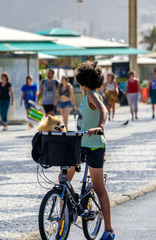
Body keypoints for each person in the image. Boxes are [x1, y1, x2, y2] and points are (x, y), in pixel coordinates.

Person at [65, 61, 114, 240]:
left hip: (94, 146)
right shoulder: (86, 98)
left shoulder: (93, 95)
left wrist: (100, 126)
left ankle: (109, 230)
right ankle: (66, 212)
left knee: (99, 187)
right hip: (81, 143)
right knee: (64, 177)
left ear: (81, 82)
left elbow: (103, 110)